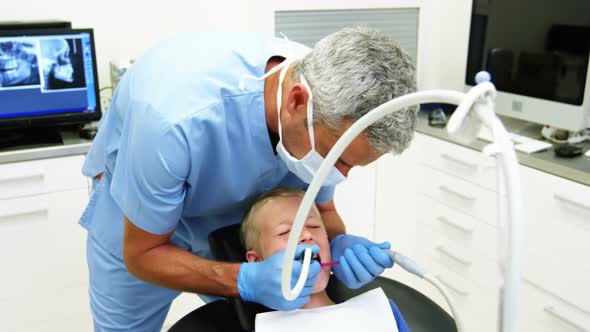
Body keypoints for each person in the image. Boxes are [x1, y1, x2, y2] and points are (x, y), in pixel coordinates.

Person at [80, 26, 417, 331]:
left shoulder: (326, 97)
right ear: (296, 101)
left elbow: (322, 212)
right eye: (338, 161)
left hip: (252, 221)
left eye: (352, 167)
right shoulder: (172, 121)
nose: (339, 176)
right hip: (139, 221)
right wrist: (244, 280)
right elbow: (143, 252)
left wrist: (339, 243)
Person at [240, 187, 410, 331]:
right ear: (256, 262)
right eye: (285, 232)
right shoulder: (266, 328)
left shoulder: (382, 310)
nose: (307, 235)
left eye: (314, 226)